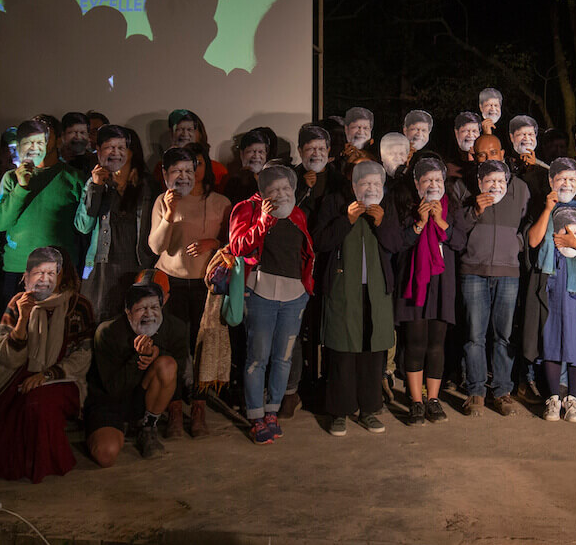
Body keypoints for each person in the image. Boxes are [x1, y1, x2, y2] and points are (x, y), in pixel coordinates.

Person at [0, 246, 95, 483]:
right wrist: (23, 320)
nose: (44, 279)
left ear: (63, 273)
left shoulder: (78, 305)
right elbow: (1, 353)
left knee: (36, 403)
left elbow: (82, 355)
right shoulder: (19, 302)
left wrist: (48, 375)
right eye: (38, 272)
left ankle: (43, 465)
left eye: (51, 272)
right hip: (18, 372)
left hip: (63, 378)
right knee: (0, 409)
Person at [228, 164, 315, 444]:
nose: (280, 193)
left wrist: (306, 287)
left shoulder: (298, 213)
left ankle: (272, 411)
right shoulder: (247, 209)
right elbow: (237, 247)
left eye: (285, 188)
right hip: (261, 293)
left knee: (283, 357)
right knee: (258, 357)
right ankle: (255, 415)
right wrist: (263, 220)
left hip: (294, 296)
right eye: (273, 189)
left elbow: (305, 254)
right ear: (262, 191)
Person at [147, 145, 231, 435]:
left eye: (193, 166)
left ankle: (198, 407)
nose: (187, 173)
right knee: (174, 347)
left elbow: (235, 245)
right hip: (171, 281)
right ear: (168, 173)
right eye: (179, 168)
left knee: (202, 348)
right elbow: (156, 247)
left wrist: (214, 244)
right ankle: (173, 408)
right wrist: (169, 213)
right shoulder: (163, 201)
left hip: (207, 286)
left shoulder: (221, 202)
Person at [312, 161, 397, 435]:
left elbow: (397, 243)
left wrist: (383, 222)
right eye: (364, 182)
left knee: (373, 352)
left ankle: (370, 409)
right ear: (352, 184)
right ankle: (339, 412)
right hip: (342, 289)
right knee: (342, 351)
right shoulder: (335, 202)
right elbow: (319, 242)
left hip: (375, 291)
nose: (370, 187)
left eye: (375, 183)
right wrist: (346, 220)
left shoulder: (385, 206)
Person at [0, 118, 85, 345]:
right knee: (15, 338)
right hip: (18, 269)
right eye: (29, 139)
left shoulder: (74, 178)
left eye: (45, 136)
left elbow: (84, 229)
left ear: (58, 139)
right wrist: (22, 186)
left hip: (58, 273)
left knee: (53, 340)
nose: (36, 144)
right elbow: (0, 223)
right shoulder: (11, 178)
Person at [453, 140, 531, 417]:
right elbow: (454, 230)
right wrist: (474, 210)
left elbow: (527, 223)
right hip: (473, 270)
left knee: (504, 335)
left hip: (508, 271)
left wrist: (517, 244)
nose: (487, 157)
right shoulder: (463, 187)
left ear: (503, 154)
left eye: (493, 152)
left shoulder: (519, 188)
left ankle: (502, 391)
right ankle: (475, 391)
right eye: (481, 153)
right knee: (474, 335)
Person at [390, 157, 465, 424]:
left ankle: (433, 399)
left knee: (436, 344)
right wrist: (420, 222)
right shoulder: (406, 208)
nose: (433, 185)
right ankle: (416, 401)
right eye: (427, 180)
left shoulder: (451, 208)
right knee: (416, 343)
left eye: (437, 180)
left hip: (442, 282)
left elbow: (459, 242)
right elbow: (398, 244)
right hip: (415, 283)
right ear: (416, 184)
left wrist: (440, 221)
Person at [85, 281, 188, 464]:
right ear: (128, 311)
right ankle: (116, 429)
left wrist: (157, 353)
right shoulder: (108, 332)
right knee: (105, 454)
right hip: (111, 402)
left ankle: (147, 428)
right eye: (141, 308)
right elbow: (113, 389)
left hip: (142, 398)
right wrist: (138, 358)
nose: (149, 314)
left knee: (168, 365)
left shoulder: (176, 328)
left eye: (155, 307)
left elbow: (177, 373)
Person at [524, 190, 576, 423]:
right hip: (552, 282)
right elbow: (533, 240)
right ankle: (554, 397)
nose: (565, 183)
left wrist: (572, 241)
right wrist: (547, 209)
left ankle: (573, 398)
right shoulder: (544, 206)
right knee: (551, 338)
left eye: (571, 179)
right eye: (560, 178)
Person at [76, 125, 158, 323]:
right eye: (110, 147)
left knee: (135, 321)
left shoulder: (147, 185)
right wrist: (95, 187)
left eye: (121, 147)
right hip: (102, 265)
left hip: (137, 263)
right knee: (99, 320)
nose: (115, 153)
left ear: (132, 151)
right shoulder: (96, 182)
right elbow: (82, 225)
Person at [224, 129, 271, 204]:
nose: (256, 156)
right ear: (241, 154)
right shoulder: (232, 183)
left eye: (261, 152)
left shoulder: (273, 181)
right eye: (251, 151)